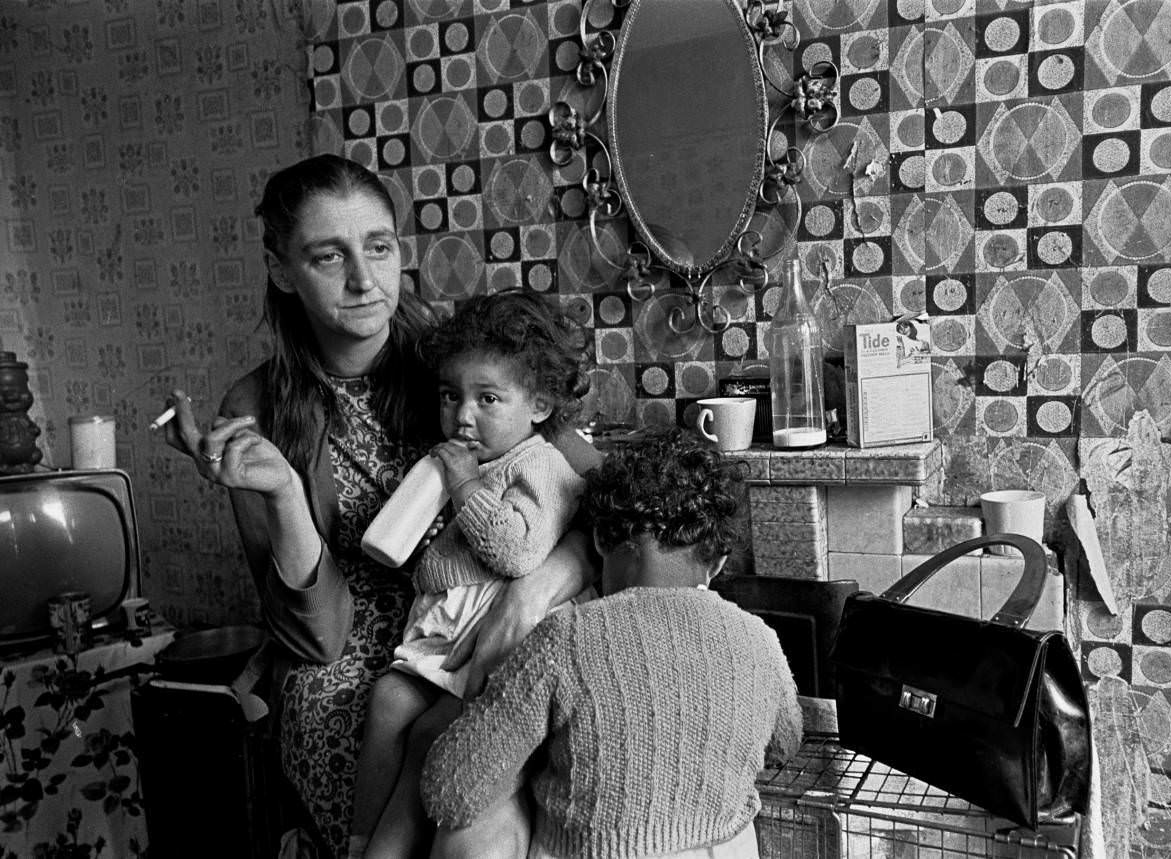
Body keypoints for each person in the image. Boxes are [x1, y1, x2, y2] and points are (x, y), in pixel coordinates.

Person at [160, 153, 598, 859]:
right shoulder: (254, 411)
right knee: (331, 709)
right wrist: (281, 494)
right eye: (329, 256)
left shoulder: (462, 364)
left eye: (380, 248)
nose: (364, 281)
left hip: (494, 606)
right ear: (281, 270)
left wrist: (539, 585)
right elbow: (316, 637)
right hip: (358, 648)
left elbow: (599, 497)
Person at [421, 428, 803, 859]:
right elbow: (785, 743)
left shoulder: (561, 639)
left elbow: (449, 790)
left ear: (602, 540)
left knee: (472, 821)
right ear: (717, 562)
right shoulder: (758, 639)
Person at [350, 291, 591, 859]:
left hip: (487, 641)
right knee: (386, 701)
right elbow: (440, 550)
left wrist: (463, 487)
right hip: (441, 637)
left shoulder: (542, 466)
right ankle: (359, 838)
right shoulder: (469, 461)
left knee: (430, 734)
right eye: (450, 396)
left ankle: (391, 845)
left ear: (539, 404)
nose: (463, 416)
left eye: (487, 398)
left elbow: (515, 549)